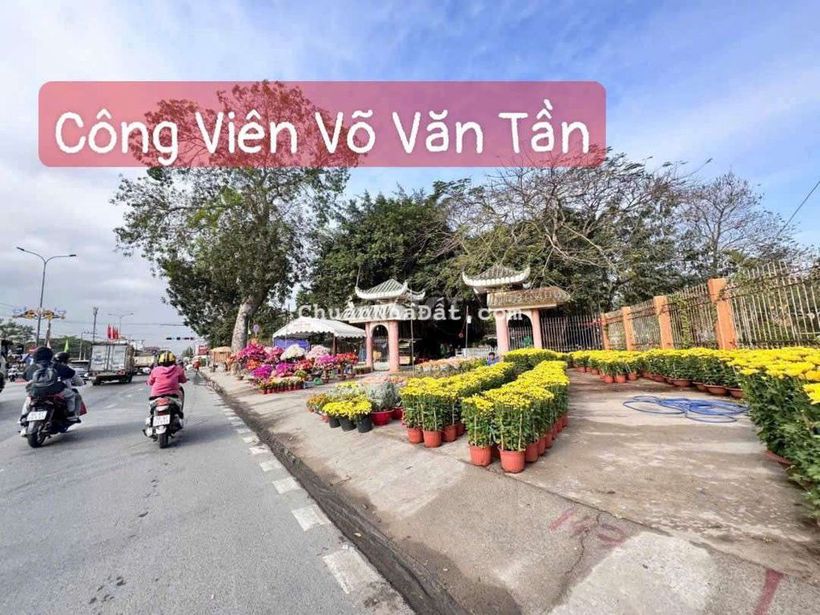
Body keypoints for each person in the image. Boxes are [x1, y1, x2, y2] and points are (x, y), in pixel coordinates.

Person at [22, 346, 80, 423]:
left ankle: (23, 417)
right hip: (55, 391)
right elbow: (73, 375)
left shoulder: (32, 367)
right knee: (72, 395)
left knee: (29, 398)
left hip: (36, 391)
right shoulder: (58, 366)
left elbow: (25, 377)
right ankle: (71, 415)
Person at [54, 351, 85, 420]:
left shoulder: (48, 366)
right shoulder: (66, 368)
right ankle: (72, 415)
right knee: (76, 396)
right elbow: (79, 382)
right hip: (59, 390)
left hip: (43, 391)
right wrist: (81, 383)